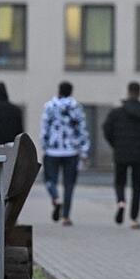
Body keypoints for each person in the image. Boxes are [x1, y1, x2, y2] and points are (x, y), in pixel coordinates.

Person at [103, 81, 140, 229]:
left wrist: (115, 144)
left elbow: (107, 130)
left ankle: (121, 202)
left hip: (120, 152)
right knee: (137, 186)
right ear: (139, 92)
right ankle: (134, 218)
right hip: (139, 153)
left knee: (120, 181)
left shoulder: (116, 113)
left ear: (128, 91)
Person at [40, 81, 90, 226]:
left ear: (59, 90)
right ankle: (66, 217)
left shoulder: (49, 106)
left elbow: (44, 127)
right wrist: (84, 150)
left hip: (52, 150)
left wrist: (44, 145)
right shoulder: (76, 107)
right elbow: (82, 129)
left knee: (50, 179)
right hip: (71, 151)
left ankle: (56, 198)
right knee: (69, 184)